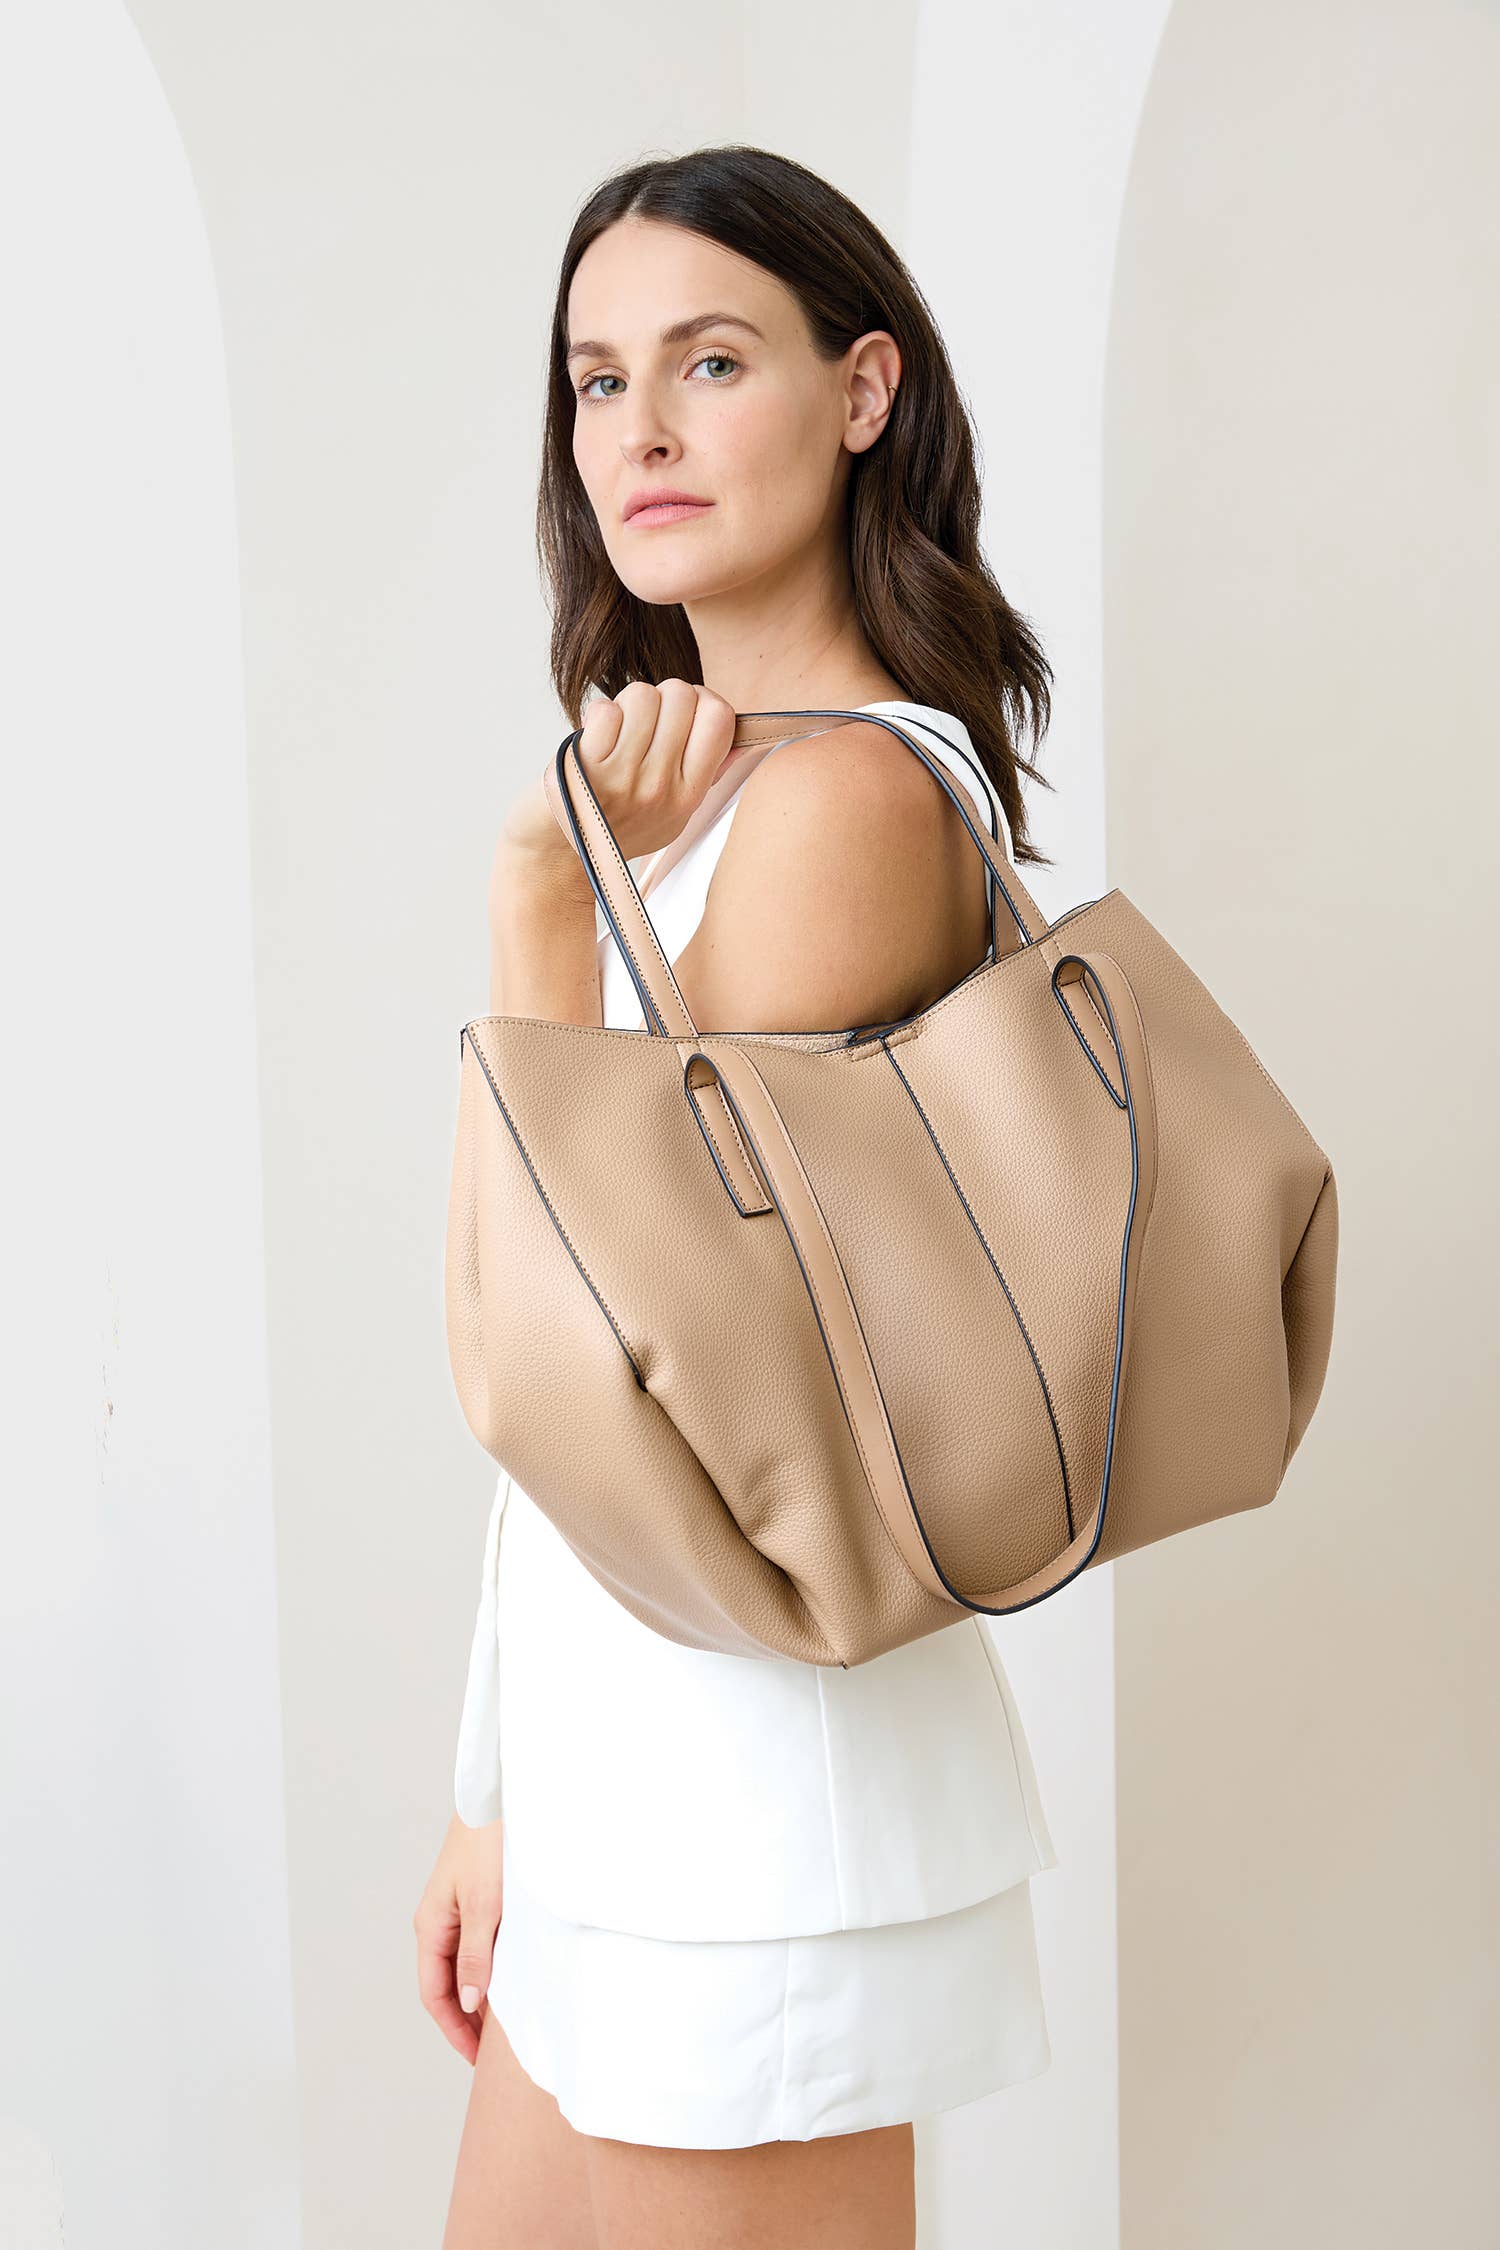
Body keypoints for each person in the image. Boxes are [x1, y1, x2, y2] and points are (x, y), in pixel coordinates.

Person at [415, 141, 1061, 2250]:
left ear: (864, 391)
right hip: (624, 1782)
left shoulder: (851, 799)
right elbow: (546, 1391)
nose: (641, 431)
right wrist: (497, 1792)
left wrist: (539, 907)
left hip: (755, 1816)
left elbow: (627, 1336)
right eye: (598, 381)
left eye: (709, 361)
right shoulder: (701, 797)